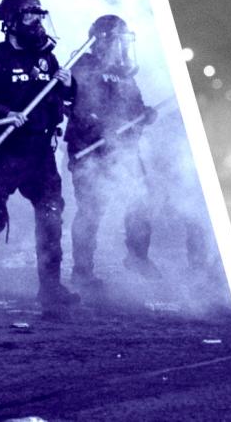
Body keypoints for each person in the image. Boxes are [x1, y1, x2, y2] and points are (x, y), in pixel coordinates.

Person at [0, 0, 77, 309]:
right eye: (29, 16)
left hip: (41, 152)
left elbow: (67, 100)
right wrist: (4, 113)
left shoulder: (47, 58)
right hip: (2, 153)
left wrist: (67, 83)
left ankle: (51, 288)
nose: (37, 23)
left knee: (51, 216)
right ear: (11, 21)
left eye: (40, 16)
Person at [64, 15, 161, 288]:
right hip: (89, 149)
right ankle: (82, 271)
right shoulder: (81, 66)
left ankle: (137, 256)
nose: (122, 45)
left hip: (124, 149)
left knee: (142, 199)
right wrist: (99, 126)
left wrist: (145, 115)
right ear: (104, 41)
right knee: (91, 210)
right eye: (118, 39)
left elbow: (135, 107)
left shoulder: (124, 72)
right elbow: (69, 105)